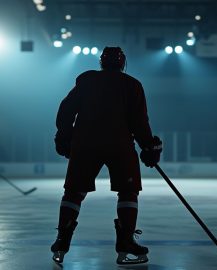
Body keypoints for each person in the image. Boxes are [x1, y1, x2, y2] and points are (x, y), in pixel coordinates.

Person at [51, 47, 162, 265]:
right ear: (123, 64)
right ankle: (126, 243)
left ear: (102, 63)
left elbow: (65, 110)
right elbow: (139, 121)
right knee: (128, 191)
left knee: (74, 192)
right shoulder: (132, 85)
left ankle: (62, 241)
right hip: (119, 145)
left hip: (85, 144)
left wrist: (65, 137)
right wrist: (148, 146)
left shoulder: (86, 81)